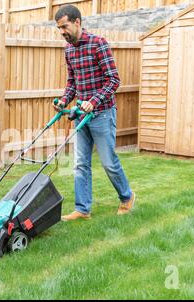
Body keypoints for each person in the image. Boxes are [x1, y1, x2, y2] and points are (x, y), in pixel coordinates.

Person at [53, 4, 136, 220]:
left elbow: (113, 80)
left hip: (102, 113)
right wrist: (64, 100)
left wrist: (94, 100)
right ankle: (82, 209)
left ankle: (127, 197)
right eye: (59, 28)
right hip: (81, 115)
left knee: (108, 162)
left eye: (64, 26)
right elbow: (73, 82)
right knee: (80, 164)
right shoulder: (69, 50)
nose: (62, 32)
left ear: (77, 22)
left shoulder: (98, 44)